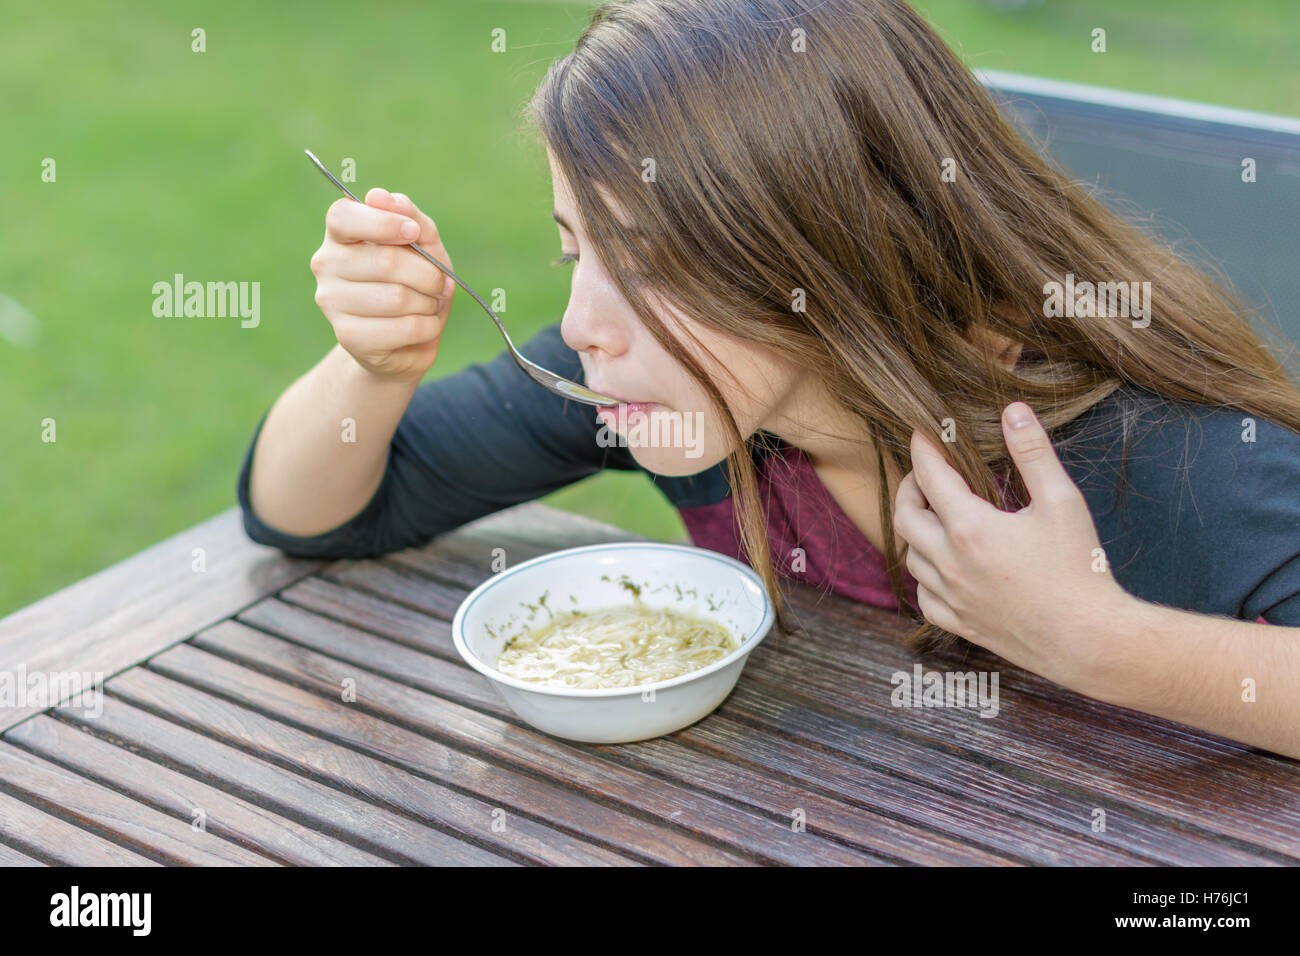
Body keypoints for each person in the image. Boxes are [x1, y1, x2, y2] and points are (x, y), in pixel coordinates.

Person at [238, 0, 1300, 758]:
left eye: (650, 260)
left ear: (825, 253)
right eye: (575, 251)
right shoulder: (666, 384)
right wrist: (370, 368)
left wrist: (1102, 641)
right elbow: (308, 509)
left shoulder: (1156, 454)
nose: (579, 323)